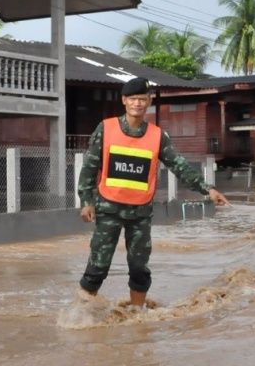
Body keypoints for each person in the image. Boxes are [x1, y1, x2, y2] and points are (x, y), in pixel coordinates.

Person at [77, 77, 229, 306]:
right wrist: (86, 200)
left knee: (139, 269)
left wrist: (207, 190)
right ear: (124, 101)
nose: (137, 103)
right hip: (108, 208)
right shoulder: (106, 128)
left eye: (142, 99)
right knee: (98, 266)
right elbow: (89, 166)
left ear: (148, 102)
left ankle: (136, 316)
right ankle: (81, 315)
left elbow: (179, 165)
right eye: (133, 99)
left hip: (140, 212)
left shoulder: (157, 136)